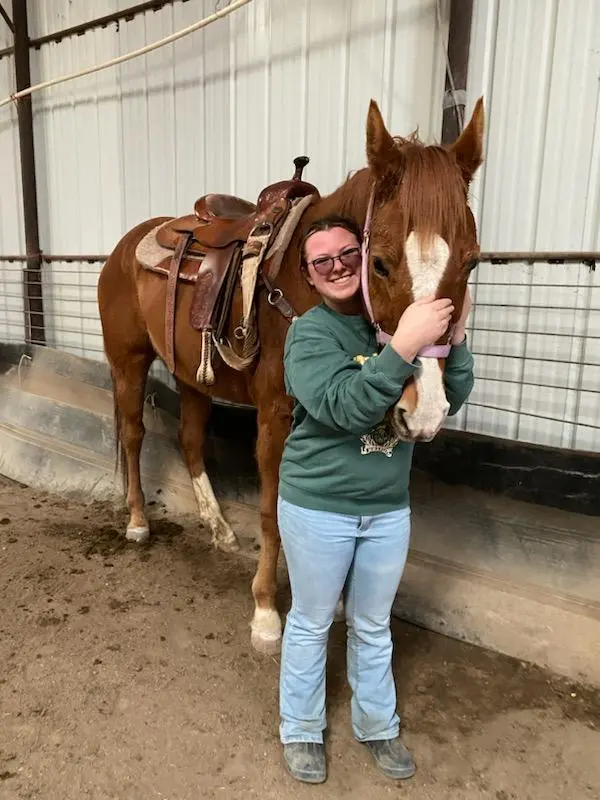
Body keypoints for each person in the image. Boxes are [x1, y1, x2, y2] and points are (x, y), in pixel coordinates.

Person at [277, 215, 474, 784]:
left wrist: (451, 341)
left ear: (365, 259)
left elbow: (449, 397)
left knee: (372, 622)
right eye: (322, 262)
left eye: (347, 254)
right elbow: (344, 407)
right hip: (318, 507)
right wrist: (405, 346)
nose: (337, 267)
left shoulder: (391, 319)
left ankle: (377, 723)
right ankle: (301, 728)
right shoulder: (309, 334)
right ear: (310, 277)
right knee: (312, 622)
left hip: (387, 507)